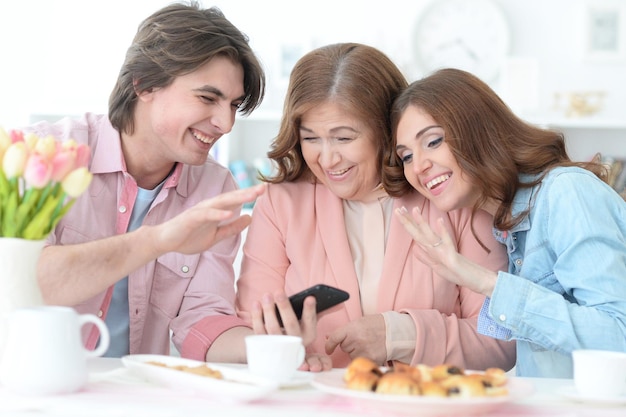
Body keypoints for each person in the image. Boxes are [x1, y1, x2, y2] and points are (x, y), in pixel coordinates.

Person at [235, 43, 516, 372]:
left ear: (385, 131)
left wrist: (400, 334)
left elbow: (501, 339)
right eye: (311, 138)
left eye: (343, 138)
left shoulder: (450, 196)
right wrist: (287, 350)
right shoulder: (281, 204)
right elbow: (250, 328)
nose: (327, 159)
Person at [29, 1, 266, 362]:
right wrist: (156, 240)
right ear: (144, 84)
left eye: (234, 105)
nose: (225, 123)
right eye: (207, 98)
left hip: (137, 395)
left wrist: (275, 346)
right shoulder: (44, 156)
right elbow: (29, 283)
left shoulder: (215, 189)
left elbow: (202, 321)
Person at [388, 68, 626, 378]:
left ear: (479, 130)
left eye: (433, 141)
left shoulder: (566, 193)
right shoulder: (504, 228)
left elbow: (618, 335)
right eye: (406, 156)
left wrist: (484, 282)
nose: (418, 165)